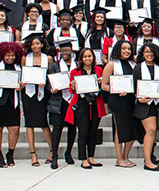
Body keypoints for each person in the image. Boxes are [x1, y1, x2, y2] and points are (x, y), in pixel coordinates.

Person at [100, 40, 140, 168]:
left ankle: (126, 156)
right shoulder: (111, 65)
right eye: (124, 48)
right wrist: (116, 90)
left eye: (129, 49)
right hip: (118, 101)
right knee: (120, 129)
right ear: (118, 49)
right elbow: (103, 85)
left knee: (133, 129)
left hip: (131, 100)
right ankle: (119, 159)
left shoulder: (133, 64)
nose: (126, 51)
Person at [66, 49, 106, 170]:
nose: (88, 59)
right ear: (81, 59)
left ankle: (90, 157)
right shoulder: (75, 71)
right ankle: (83, 159)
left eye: (90, 56)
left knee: (93, 132)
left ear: (93, 58)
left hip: (95, 103)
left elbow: (103, 87)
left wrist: (101, 82)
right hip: (81, 104)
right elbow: (71, 90)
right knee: (83, 133)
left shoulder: (99, 70)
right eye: (85, 57)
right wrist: (73, 86)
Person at [133, 44, 159, 171]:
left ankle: (150, 157)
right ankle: (147, 162)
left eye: (151, 52)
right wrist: (138, 97)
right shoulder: (138, 68)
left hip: (156, 104)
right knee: (151, 130)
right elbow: (133, 86)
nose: (149, 54)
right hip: (143, 104)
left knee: (152, 132)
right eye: (146, 52)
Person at [21, 33, 54, 166]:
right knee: (29, 123)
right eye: (33, 44)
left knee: (43, 122)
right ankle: (33, 154)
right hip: (28, 93)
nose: (35, 46)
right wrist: (22, 83)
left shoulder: (48, 59)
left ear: (42, 45)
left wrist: (45, 82)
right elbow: (23, 74)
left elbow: (51, 76)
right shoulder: (25, 58)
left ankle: (52, 151)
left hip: (41, 93)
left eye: (37, 43)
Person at [46, 39, 78, 169]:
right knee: (57, 128)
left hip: (73, 101)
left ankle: (68, 153)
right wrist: (51, 89)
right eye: (63, 50)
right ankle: (54, 156)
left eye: (68, 50)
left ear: (72, 50)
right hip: (59, 101)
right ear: (59, 51)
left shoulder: (77, 65)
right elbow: (49, 82)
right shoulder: (55, 66)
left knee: (72, 128)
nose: (65, 52)